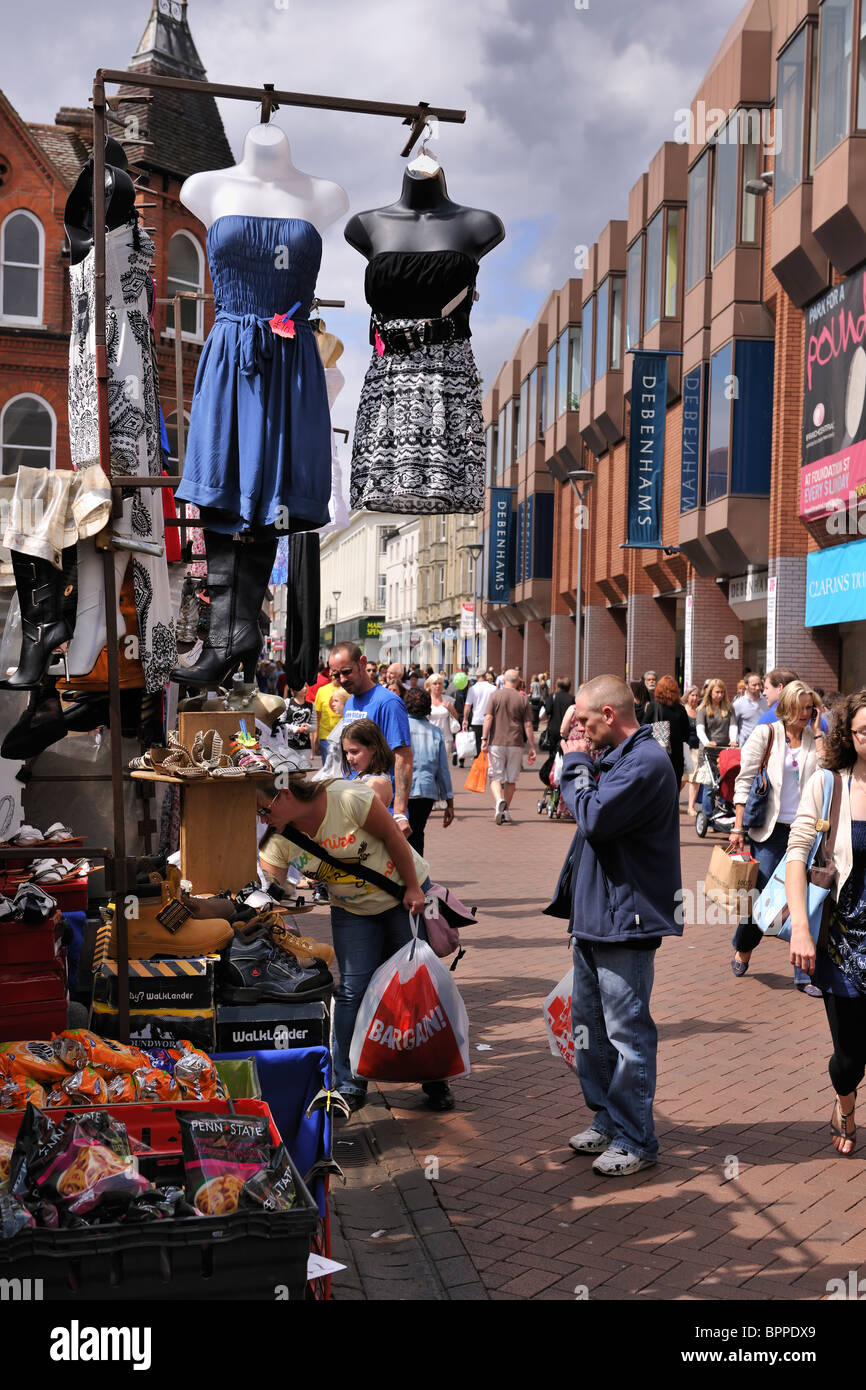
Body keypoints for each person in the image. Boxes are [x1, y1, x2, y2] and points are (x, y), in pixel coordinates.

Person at [260, 774, 454, 1113]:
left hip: (400, 898)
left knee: (416, 985)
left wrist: (412, 887)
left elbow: (394, 837)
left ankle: (434, 1076)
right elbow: (272, 889)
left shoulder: (346, 798)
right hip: (352, 910)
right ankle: (349, 1083)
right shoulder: (278, 839)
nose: (262, 818)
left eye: (264, 809)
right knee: (352, 990)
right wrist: (276, 895)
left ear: (285, 794)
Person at [553, 675, 682, 1175]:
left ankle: (636, 1138)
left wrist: (576, 759)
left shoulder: (646, 763)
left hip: (626, 917)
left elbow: (594, 818)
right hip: (596, 916)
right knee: (589, 1029)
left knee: (627, 1033)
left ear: (610, 716)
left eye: (584, 721)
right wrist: (573, 751)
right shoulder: (618, 754)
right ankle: (609, 1117)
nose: (579, 732)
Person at [787, 689, 866, 1155]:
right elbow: (797, 855)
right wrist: (800, 926)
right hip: (842, 937)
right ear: (848, 734)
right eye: (863, 733)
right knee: (850, 1055)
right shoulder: (829, 783)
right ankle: (845, 1100)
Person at [728, 681, 822, 993]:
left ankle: (803, 973)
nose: (807, 714)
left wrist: (819, 733)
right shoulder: (767, 734)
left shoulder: (812, 738)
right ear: (788, 707)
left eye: (811, 708)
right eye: (802, 708)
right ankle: (744, 945)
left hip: (805, 829)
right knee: (763, 899)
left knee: (804, 901)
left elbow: (828, 771)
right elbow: (744, 779)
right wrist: (737, 827)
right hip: (770, 831)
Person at [328, 642, 413, 837]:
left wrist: (399, 812)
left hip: (384, 811)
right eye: (336, 675)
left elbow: (404, 757)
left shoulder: (388, 702)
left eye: (347, 672)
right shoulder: (349, 703)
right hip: (356, 806)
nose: (342, 679)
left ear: (362, 663)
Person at [481, 668, 536, 824]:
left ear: (503, 680)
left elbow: (488, 718)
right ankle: (505, 810)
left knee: (495, 776)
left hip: (496, 742)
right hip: (516, 743)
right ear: (518, 681)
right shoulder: (522, 699)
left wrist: (484, 738)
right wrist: (532, 746)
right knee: (511, 780)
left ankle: (499, 800)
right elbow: (528, 724)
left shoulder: (495, 696)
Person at [404, 687, 455, 854]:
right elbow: (443, 770)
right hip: (426, 791)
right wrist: (449, 801)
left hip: (401, 789)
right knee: (417, 833)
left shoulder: (400, 727)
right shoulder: (435, 732)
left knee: (398, 835)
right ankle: (417, 875)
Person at [695, 678, 738, 818]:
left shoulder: (729, 708)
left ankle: (723, 812)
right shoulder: (702, 709)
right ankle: (707, 815)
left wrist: (733, 740)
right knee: (710, 785)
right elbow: (700, 730)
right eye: (717, 692)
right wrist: (707, 742)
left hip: (724, 750)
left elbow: (733, 726)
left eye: (722, 692)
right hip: (709, 751)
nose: (720, 695)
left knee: (726, 782)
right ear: (710, 692)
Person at [642, 675, 691, 786]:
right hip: (676, 754)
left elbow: (644, 727)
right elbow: (686, 735)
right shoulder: (681, 709)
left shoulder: (653, 707)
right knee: (674, 785)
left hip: (657, 753)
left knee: (657, 785)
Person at [337, 719, 395, 808]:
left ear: (373, 748)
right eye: (346, 752)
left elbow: (365, 817)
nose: (349, 758)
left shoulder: (378, 783)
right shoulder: (362, 775)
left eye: (354, 752)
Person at [426, 671, 460, 763]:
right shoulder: (426, 700)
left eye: (440, 683)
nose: (437, 686)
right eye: (435, 683)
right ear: (429, 686)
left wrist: (451, 708)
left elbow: (456, 718)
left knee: (443, 767)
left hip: (446, 738)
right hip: (429, 738)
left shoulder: (448, 700)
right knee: (430, 766)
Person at [312, 678, 346, 764]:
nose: (333, 704)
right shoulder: (322, 690)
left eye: (336, 701)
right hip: (326, 737)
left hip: (344, 737)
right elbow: (318, 715)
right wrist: (316, 738)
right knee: (328, 767)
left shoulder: (348, 689)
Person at [462, 669, 496, 756]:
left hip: (476, 720)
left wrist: (465, 719)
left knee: (477, 746)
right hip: (490, 720)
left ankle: (478, 766)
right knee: (490, 745)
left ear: (476, 677)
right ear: (485, 676)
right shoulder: (493, 688)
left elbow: (468, 706)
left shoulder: (472, 689)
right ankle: (488, 765)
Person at [681, 685, 702, 816]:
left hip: (697, 748)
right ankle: (672, 802)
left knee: (695, 779)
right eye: (692, 695)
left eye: (696, 695)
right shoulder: (682, 710)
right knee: (682, 779)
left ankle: (691, 806)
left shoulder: (700, 711)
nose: (694, 698)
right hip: (684, 747)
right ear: (687, 696)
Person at [733, 671, 768, 745]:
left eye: (759, 684)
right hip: (746, 746)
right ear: (746, 685)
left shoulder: (767, 701)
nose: (758, 688)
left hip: (765, 745)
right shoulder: (738, 704)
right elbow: (733, 725)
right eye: (754, 685)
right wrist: (734, 741)